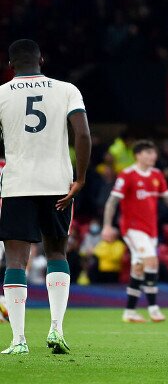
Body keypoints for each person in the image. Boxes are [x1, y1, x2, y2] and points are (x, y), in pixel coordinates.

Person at [0, 39, 91, 355]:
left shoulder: (0, 95)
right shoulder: (67, 89)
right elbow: (82, 134)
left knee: (15, 260)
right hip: (58, 184)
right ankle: (56, 330)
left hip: (17, 185)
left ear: (11, 64)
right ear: (41, 58)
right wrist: (79, 178)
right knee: (56, 253)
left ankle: (18, 340)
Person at [102, 140, 168, 324]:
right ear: (138, 155)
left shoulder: (157, 175)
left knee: (139, 268)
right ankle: (153, 308)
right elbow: (112, 201)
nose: (153, 156)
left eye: (154, 153)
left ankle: (130, 311)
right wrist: (107, 226)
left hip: (151, 230)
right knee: (152, 261)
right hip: (132, 229)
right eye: (149, 153)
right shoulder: (127, 175)